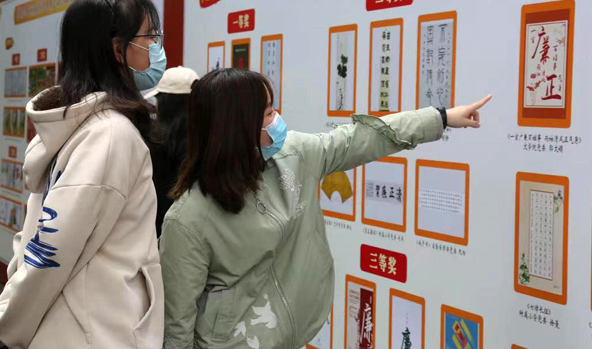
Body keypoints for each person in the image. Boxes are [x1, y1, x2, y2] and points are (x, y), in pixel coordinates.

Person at [160, 68, 491, 349]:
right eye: (268, 114)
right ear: (237, 129)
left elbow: (360, 138)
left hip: (292, 337)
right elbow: (177, 327)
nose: (277, 121)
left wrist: (440, 118)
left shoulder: (294, 155)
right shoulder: (187, 220)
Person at [0, 0, 167, 349]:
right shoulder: (111, 135)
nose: (155, 47)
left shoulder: (81, 128)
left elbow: (34, 237)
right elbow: (50, 250)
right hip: (94, 334)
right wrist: (8, 329)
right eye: (149, 36)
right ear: (118, 50)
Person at [145, 66, 199, 236]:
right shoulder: (206, 142)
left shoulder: (148, 140)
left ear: (162, 103)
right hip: (193, 231)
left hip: (152, 229)